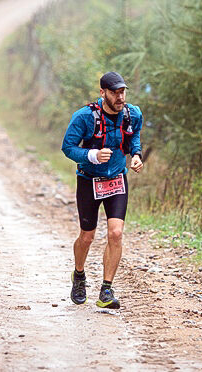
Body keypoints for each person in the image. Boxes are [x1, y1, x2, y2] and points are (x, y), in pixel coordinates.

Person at [61, 71, 143, 309]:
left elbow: (134, 136)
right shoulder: (84, 117)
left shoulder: (132, 114)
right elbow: (67, 147)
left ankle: (106, 290)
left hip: (117, 179)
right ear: (103, 92)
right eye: (115, 92)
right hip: (89, 179)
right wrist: (91, 155)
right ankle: (79, 275)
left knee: (116, 233)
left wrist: (136, 154)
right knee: (87, 236)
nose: (120, 97)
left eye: (122, 91)